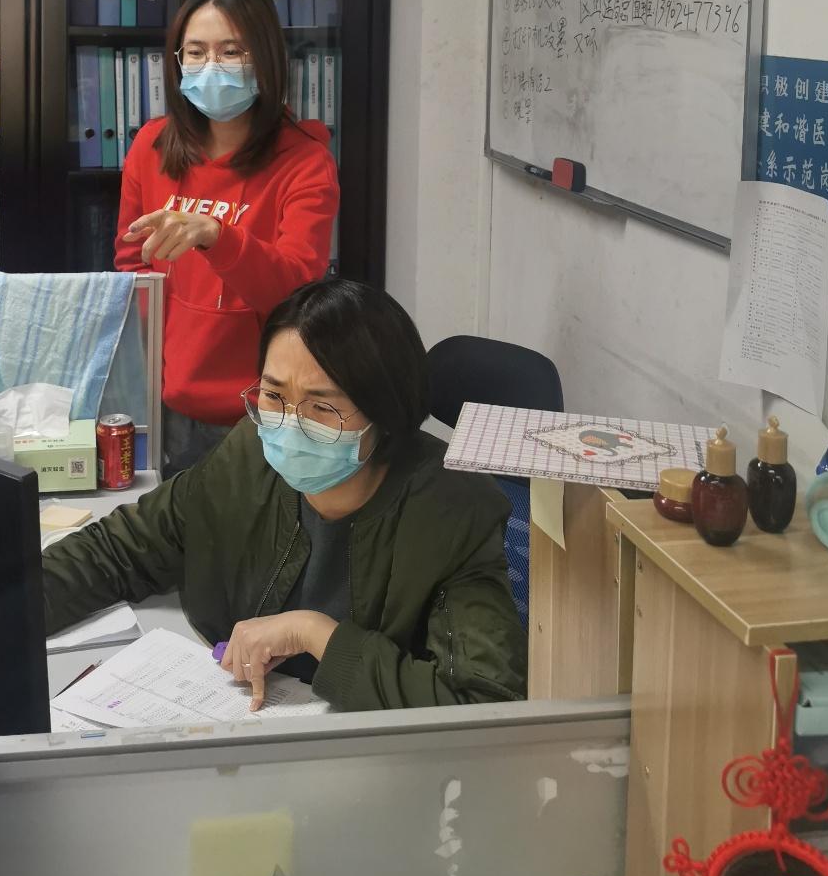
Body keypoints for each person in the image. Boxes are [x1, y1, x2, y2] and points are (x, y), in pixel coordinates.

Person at [41, 279, 527, 712]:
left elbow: (485, 703)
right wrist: (9, 607)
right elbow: (119, 549)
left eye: (322, 408)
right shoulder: (249, 453)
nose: (288, 425)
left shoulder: (453, 510)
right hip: (234, 712)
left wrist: (317, 634)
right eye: (274, 396)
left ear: (386, 414)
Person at [117, 0, 339, 476]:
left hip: (261, 411)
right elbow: (132, 263)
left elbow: (297, 289)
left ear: (265, 58)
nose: (211, 66)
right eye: (195, 52)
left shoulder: (306, 162)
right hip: (165, 398)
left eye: (231, 51)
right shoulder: (152, 145)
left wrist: (216, 235)